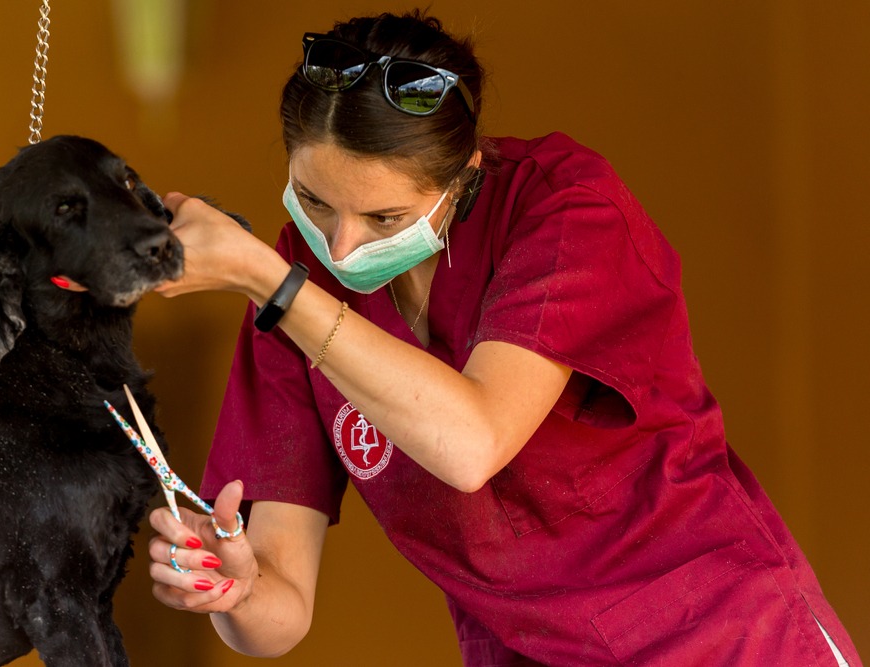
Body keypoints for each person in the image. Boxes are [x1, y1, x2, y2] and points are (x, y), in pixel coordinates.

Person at [145, 11, 861, 666]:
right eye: (314, 201)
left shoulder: (565, 208)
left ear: (462, 182)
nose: (340, 245)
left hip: (718, 636)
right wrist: (233, 591)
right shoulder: (295, 284)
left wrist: (272, 285)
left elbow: (469, 442)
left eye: (385, 218)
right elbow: (282, 611)